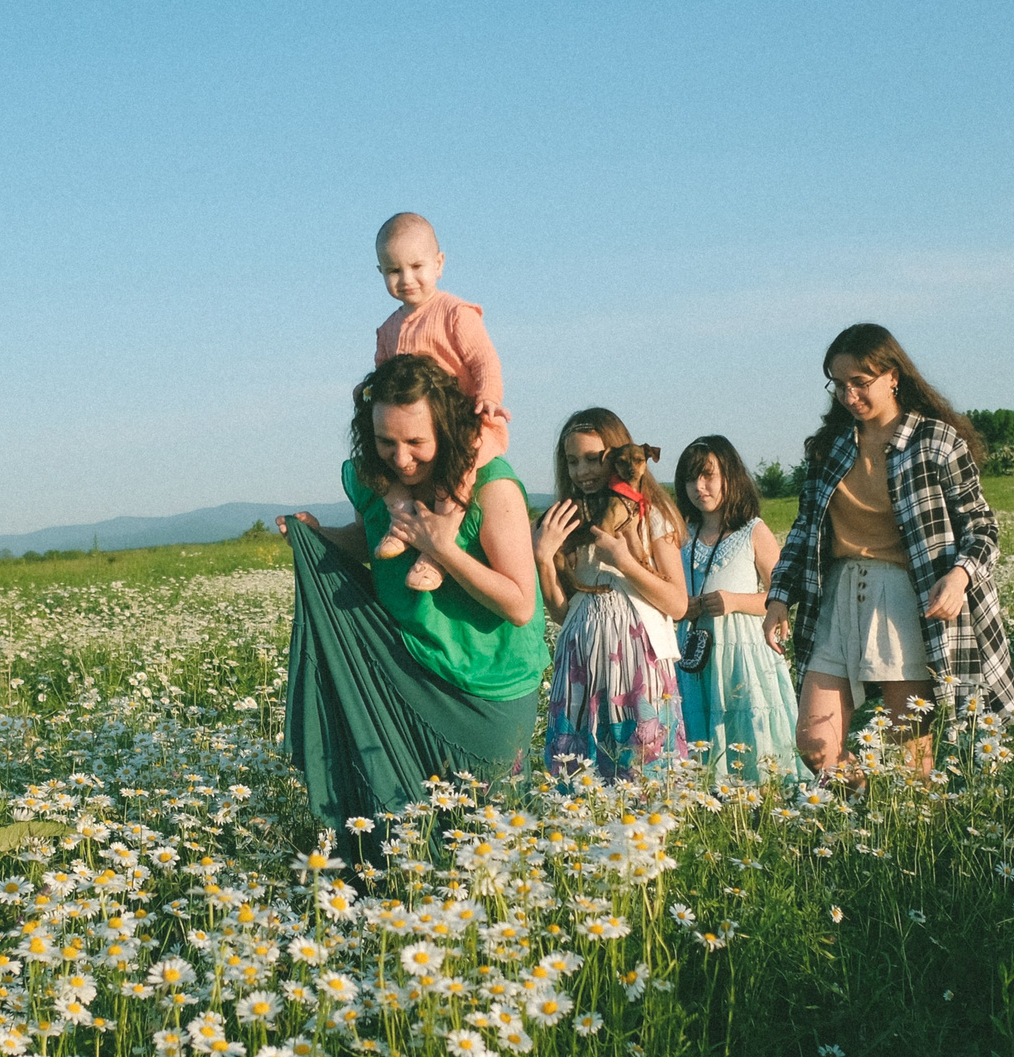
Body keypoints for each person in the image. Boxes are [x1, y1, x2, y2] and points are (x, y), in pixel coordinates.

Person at [279, 353, 545, 825]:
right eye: (386, 442)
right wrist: (318, 536)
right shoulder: (376, 481)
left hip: (491, 686)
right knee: (403, 826)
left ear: (445, 428)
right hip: (406, 664)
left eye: (416, 442)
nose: (401, 459)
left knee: (486, 828)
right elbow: (369, 538)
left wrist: (444, 548)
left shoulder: (492, 487)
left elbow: (521, 605)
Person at [763, 324, 1014, 780]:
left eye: (859, 383)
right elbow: (804, 529)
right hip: (839, 596)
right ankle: (865, 811)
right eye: (838, 384)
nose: (848, 395)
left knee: (908, 760)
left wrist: (960, 576)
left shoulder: (936, 442)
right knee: (815, 746)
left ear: (892, 376)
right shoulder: (830, 447)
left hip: (907, 600)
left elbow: (982, 526)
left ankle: (897, 838)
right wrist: (778, 598)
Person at [534, 409, 690, 780]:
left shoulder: (650, 515)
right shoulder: (568, 521)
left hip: (639, 660)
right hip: (580, 663)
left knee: (641, 770)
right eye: (572, 462)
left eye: (593, 459)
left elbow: (678, 604)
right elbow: (560, 613)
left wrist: (625, 560)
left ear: (619, 457)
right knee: (579, 774)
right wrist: (543, 558)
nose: (582, 471)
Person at [366, 213, 510, 593]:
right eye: (393, 270)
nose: (406, 279)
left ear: (439, 265)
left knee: (455, 479)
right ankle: (402, 524)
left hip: (460, 423)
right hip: (412, 431)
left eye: (416, 267)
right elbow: (383, 377)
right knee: (375, 470)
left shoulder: (454, 314)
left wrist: (489, 397)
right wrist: (366, 395)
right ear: (380, 271)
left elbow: (484, 360)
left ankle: (436, 551)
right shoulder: (388, 328)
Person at [673, 436, 800, 782]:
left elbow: (781, 596)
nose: (699, 487)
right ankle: (705, 797)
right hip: (692, 652)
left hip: (743, 653)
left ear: (730, 475)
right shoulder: (681, 534)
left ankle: (761, 799)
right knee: (696, 728)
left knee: (746, 725)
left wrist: (735, 601)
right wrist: (682, 607)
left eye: (708, 476)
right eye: (690, 479)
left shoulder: (752, 530)